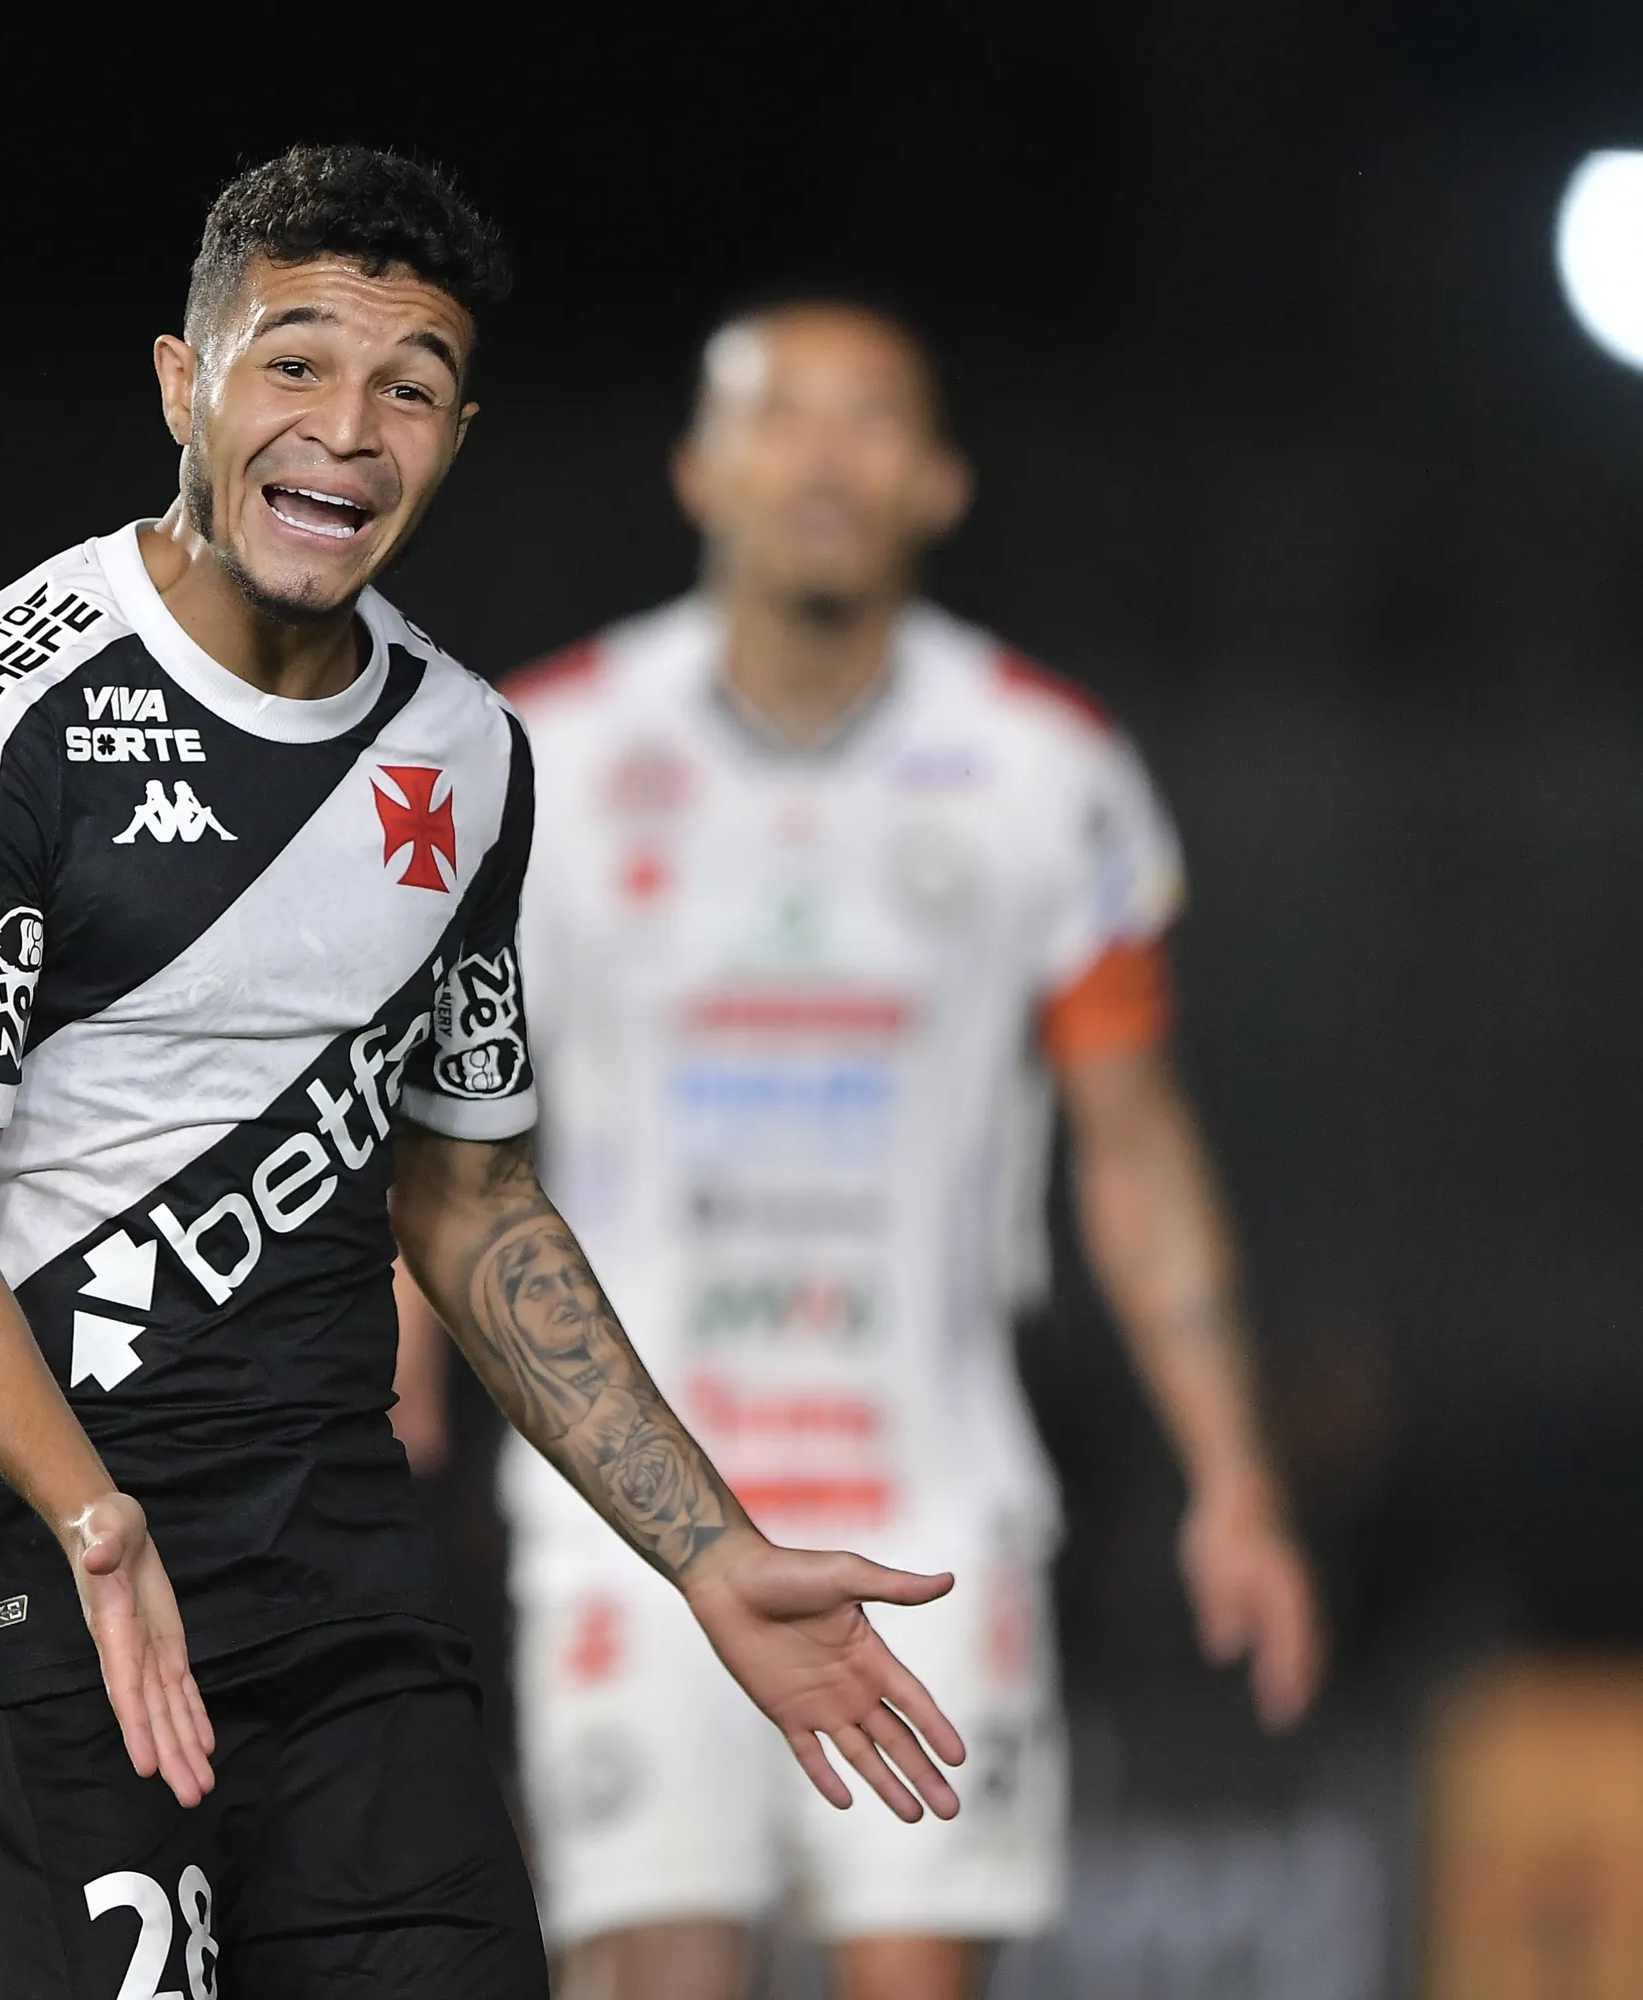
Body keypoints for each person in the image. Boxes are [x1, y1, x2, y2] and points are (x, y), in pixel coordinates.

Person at [0, 146, 969, 2000]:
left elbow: (470, 1196)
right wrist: (98, 1526)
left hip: (342, 1598)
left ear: (453, 434)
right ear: (184, 386)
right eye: (295, 365)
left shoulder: (468, 754)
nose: (347, 430)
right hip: (58, 1588)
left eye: (409, 386)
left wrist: (710, 1554)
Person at [438, 302, 1327, 2000]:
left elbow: (1134, 1144)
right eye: (783, 416)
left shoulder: (1045, 771)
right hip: (630, 1492)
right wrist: (394, 1353)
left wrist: (1235, 1473)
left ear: (941, 481)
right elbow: (453, 1122)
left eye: (873, 421)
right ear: (702, 468)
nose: (827, 456)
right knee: (649, 1976)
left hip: (928, 1503)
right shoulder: (541, 755)